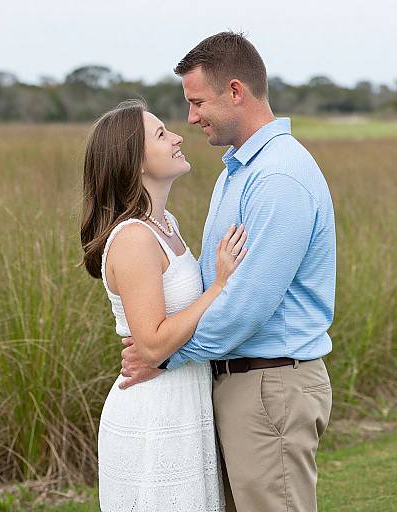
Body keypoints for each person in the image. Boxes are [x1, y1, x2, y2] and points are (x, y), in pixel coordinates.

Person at [120, 32, 336, 512]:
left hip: (269, 388)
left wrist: (165, 356)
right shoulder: (237, 171)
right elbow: (214, 286)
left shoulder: (277, 176)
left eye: (197, 102)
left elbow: (245, 307)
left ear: (235, 91)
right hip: (240, 387)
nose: (191, 118)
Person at [79, 99, 247, 511]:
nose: (176, 137)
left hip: (184, 401)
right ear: (134, 162)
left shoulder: (166, 223)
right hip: (153, 411)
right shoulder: (134, 238)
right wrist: (220, 285)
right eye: (160, 134)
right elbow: (151, 346)